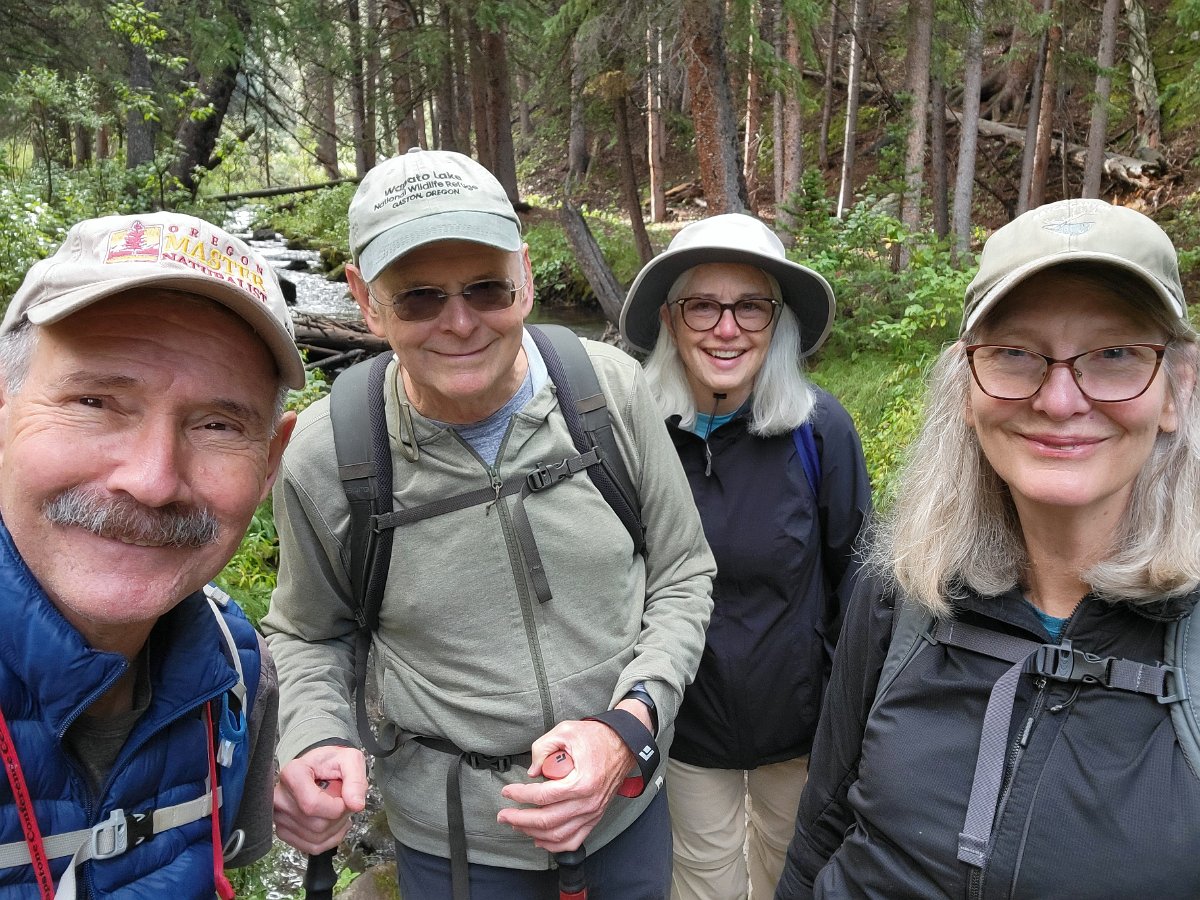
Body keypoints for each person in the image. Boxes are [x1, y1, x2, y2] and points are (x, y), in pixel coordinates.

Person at [261, 147, 716, 899]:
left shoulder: (607, 393)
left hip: (626, 814)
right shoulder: (330, 453)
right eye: (419, 299)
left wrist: (629, 727)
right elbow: (309, 632)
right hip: (453, 848)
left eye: (486, 287)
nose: (461, 323)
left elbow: (682, 572)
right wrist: (314, 735)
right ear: (364, 299)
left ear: (527, 277)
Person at [774, 197, 1200, 899]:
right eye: (1014, 353)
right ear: (968, 387)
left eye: (1115, 354)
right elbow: (821, 833)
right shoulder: (905, 592)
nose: (1060, 400)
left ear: (1176, 390)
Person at [0, 211, 304, 897]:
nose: (153, 479)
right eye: (96, 401)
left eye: (219, 424)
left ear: (269, 464)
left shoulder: (238, 676)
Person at [619, 214, 871, 900]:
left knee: (795, 876)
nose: (726, 328)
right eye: (703, 304)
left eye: (750, 306)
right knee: (704, 884)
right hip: (685, 733)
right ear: (671, 320)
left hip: (802, 733)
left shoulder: (819, 432)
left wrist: (858, 727)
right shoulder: (634, 436)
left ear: (776, 322)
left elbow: (860, 585)